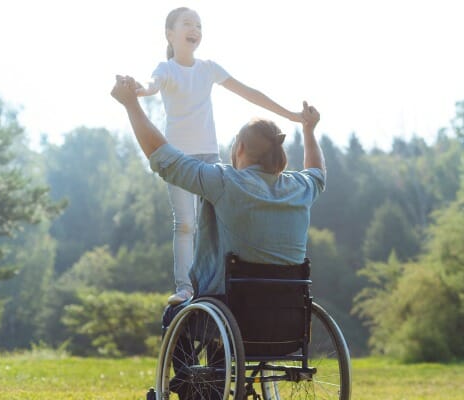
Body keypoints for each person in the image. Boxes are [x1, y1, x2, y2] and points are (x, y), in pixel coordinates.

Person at [133, 7, 305, 304]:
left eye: (198, 25)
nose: (195, 29)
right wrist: (136, 91)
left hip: (209, 157)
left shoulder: (208, 68)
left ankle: (215, 282)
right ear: (170, 34)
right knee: (186, 223)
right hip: (177, 158)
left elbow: (249, 93)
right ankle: (185, 287)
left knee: (215, 224)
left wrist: (291, 115)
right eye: (188, 24)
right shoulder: (166, 69)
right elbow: (150, 86)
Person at [111, 75, 325, 297]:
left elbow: (164, 158)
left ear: (240, 148)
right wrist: (308, 131)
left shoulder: (224, 181)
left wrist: (131, 104)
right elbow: (317, 173)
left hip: (230, 305)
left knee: (172, 316)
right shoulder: (301, 187)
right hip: (287, 311)